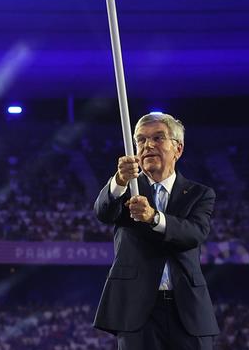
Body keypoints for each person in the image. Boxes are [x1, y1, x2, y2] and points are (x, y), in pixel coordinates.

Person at [93, 112, 219, 350]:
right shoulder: (126, 188)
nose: (148, 145)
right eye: (140, 140)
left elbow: (194, 233)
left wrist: (154, 217)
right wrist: (119, 180)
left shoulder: (199, 194)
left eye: (158, 138)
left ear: (178, 149)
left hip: (187, 311)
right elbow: (102, 212)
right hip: (136, 310)